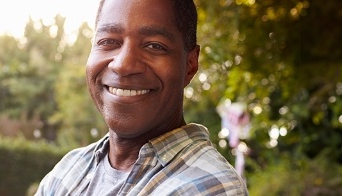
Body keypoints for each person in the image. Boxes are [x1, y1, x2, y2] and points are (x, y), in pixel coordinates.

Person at [36, 0, 248, 195]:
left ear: (190, 65)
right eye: (108, 41)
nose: (123, 65)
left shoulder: (208, 187)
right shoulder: (68, 170)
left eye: (154, 46)